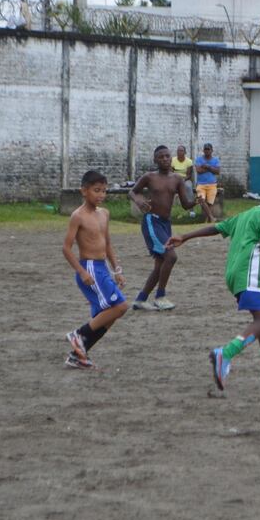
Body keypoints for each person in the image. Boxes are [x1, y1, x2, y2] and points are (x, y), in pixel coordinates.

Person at [171, 180, 260, 392]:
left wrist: (185, 237)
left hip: (233, 275)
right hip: (249, 274)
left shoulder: (245, 215)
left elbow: (216, 228)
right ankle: (226, 353)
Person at [62, 170, 130, 369]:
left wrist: (116, 269)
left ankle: (78, 355)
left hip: (102, 268)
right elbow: (66, 248)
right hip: (89, 268)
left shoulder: (104, 214)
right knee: (120, 307)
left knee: (107, 317)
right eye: (96, 190)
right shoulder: (78, 216)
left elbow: (107, 243)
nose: (101, 195)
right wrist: (82, 272)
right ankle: (79, 335)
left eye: (104, 191)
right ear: (84, 191)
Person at [128, 145, 196, 311]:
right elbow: (132, 191)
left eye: (167, 156)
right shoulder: (149, 177)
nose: (165, 159)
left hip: (166, 224)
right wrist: (138, 200)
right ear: (155, 160)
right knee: (170, 257)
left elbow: (186, 205)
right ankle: (160, 296)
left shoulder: (177, 179)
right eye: (161, 157)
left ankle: (141, 299)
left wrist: (197, 201)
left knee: (160, 265)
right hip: (152, 221)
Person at [193, 142, 222, 222]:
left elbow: (217, 172)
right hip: (201, 185)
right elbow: (198, 171)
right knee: (201, 200)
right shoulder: (198, 159)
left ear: (212, 150)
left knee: (209, 203)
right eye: (205, 149)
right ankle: (211, 217)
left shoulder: (215, 160)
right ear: (203, 150)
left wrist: (207, 166)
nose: (207, 151)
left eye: (208, 149)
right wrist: (211, 169)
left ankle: (207, 218)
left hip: (212, 184)